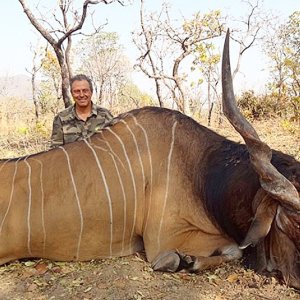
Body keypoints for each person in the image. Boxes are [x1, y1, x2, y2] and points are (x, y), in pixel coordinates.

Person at [50, 74, 113, 148]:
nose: (81, 95)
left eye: (85, 90)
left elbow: (114, 144)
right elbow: (55, 151)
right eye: (77, 91)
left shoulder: (105, 115)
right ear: (72, 94)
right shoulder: (61, 118)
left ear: (91, 92)